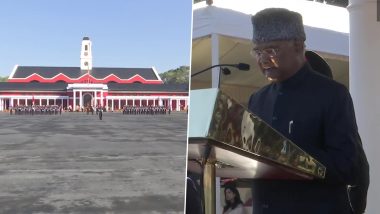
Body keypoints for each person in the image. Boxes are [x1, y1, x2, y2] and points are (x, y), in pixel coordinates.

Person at [248, 8, 369, 214]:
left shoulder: (332, 95)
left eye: (271, 50)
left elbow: (348, 168)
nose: (263, 60)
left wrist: (290, 153)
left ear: (298, 45)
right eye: (258, 52)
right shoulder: (257, 99)